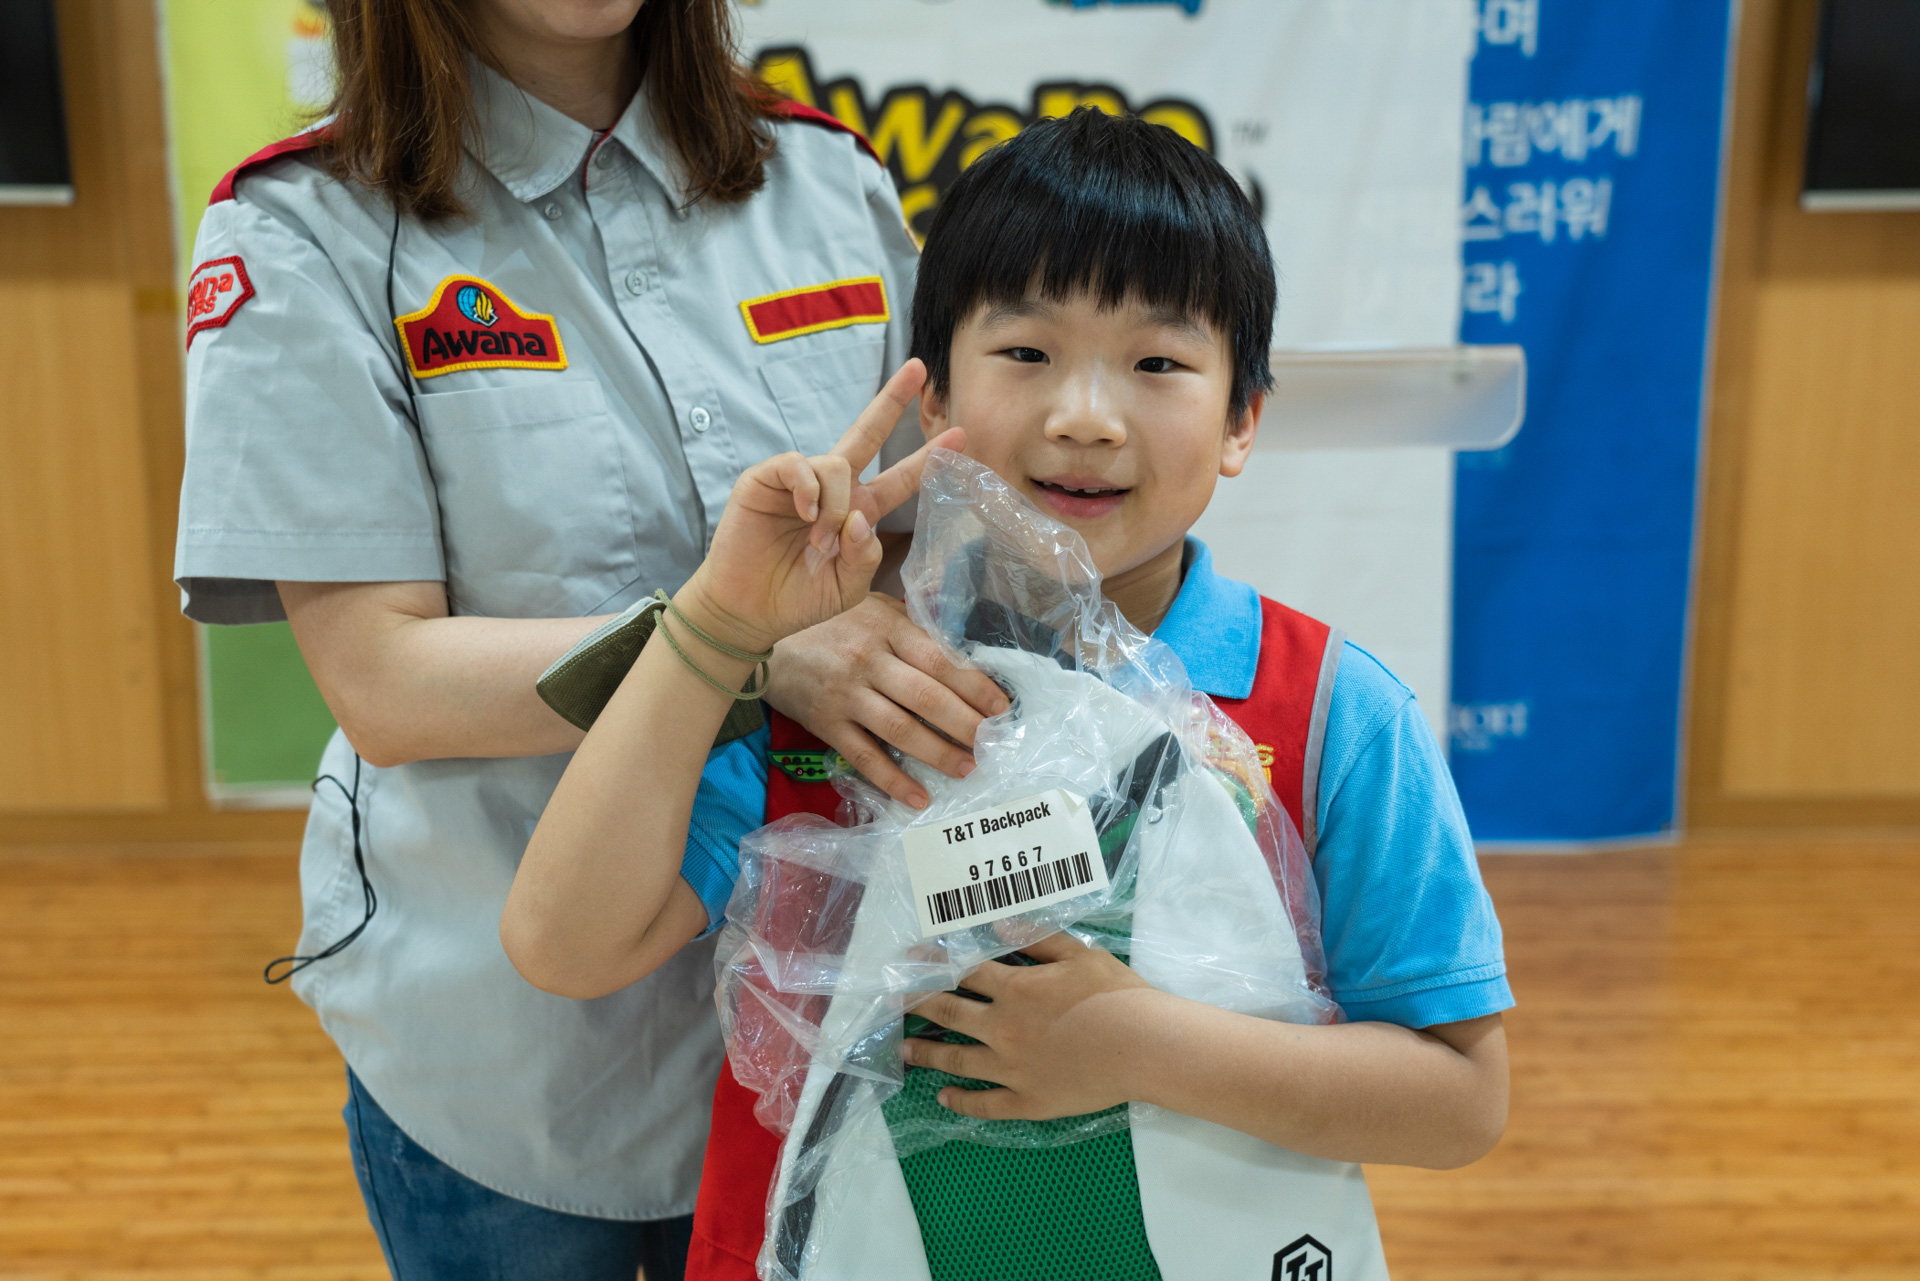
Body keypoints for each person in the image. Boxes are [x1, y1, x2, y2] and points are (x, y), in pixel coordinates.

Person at [503, 109, 1513, 1280]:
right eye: (1027, 352)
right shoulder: (846, 688)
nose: (1085, 415)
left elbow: (1459, 1100)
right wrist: (722, 629)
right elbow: (565, 945)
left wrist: (1136, 1045)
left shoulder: (1329, 708)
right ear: (934, 400)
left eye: (1158, 364)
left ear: (1241, 419)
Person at [172, 1, 1009, 1277]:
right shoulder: (305, 226)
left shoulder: (826, 178)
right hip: (512, 1067)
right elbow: (384, 681)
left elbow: (920, 541)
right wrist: (741, 646)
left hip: (834, 1034)